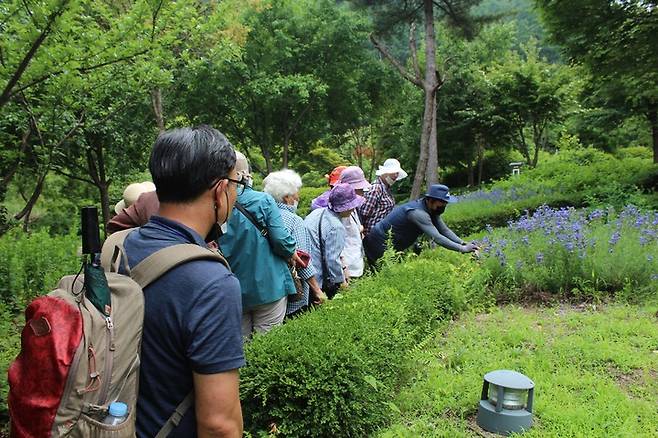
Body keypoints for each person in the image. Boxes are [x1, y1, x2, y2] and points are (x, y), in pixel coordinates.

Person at [121, 126, 244, 437]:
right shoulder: (212, 283)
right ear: (220, 190)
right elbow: (219, 425)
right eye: (236, 184)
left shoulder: (117, 247)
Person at [219, 153, 297, 338]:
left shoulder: (215, 203)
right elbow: (281, 240)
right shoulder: (262, 200)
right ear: (244, 174)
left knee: (242, 346)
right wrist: (292, 251)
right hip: (269, 285)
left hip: (233, 288)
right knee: (267, 345)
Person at [262, 169, 326, 317]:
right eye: (296, 193)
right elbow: (301, 260)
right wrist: (317, 290)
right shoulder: (294, 221)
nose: (298, 196)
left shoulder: (262, 215)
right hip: (291, 293)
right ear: (286, 198)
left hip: (265, 288)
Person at [363, 184, 479, 263]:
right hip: (377, 243)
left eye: (445, 203)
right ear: (430, 200)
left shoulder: (431, 210)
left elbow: (444, 230)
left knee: (391, 270)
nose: (444, 206)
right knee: (383, 274)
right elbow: (437, 237)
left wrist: (462, 242)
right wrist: (462, 249)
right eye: (442, 203)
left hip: (392, 245)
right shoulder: (417, 213)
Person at [304, 183, 364, 298]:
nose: (353, 209)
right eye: (351, 206)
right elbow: (332, 259)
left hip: (306, 271)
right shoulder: (336, 226)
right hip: (318, 278)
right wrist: (341, 282)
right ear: (345, 207)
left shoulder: (318, 212)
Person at [358, 158, 407, 236]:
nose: (395, 175)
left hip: (382, 233)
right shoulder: (376, 188)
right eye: (393, 172)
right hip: (372, 234)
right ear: (385, 173)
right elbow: (364, 213)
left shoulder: (387, 189)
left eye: (397, 173)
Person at [337, 166, 370, 279]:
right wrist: (344, 269)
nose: (362, 193)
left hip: (356, 264)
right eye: (360, 190)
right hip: (347, 269)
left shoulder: (353, 208)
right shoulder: (341, 211)